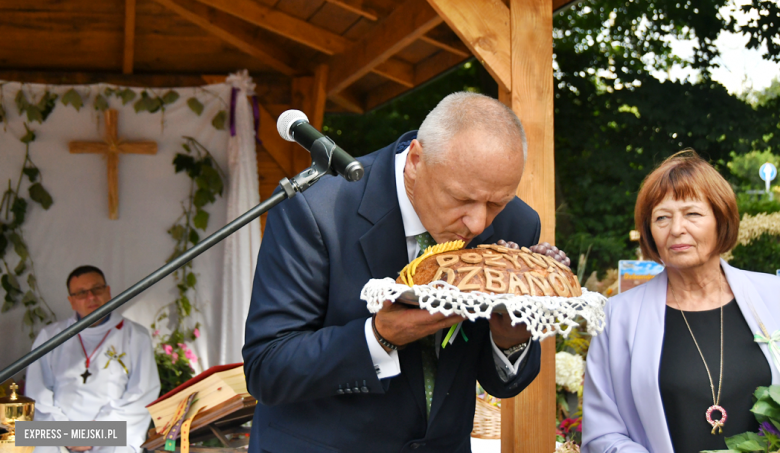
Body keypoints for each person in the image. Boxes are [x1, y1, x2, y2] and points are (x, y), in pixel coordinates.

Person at [243, 92, 553, 452]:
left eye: (497, 203)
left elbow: (501, 383)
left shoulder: (517, 223)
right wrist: (377, 337)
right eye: (461, 199)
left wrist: (511, 337)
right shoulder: (317, 210)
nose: (478, 222)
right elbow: (267, 368)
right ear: (416, 161)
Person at [582, 150, 780, 453]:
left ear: (720, 219)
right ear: (649, 230)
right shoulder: (618, 317)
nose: (676, 229)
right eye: (662, 217)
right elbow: (602, 435)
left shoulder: (773, 296)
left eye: (693, 214)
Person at [26, 266, 161, 453]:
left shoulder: (136, 336)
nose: (91, 297)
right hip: (58, 433)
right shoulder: (50, 337)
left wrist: (95, 434)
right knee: (31, 439)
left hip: (112, 432)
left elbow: (142, 394)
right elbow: (37, 393)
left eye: (97, 289)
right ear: (71, 301)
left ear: (108, 291)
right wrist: (68, 435)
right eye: (81, 293)